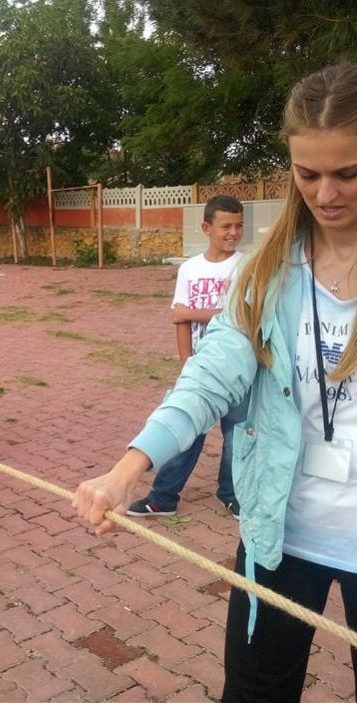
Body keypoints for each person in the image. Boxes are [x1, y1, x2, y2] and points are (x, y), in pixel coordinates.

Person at [72, 63, 357, 703]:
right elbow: (208, 376)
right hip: (279, 530)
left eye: (347, 172)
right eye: (307, 173)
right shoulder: (268, 270)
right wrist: (130, 468)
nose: (325, 194)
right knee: (254, 693)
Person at [127, 195, 248, 519]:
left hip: (236, 367)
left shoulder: (247, 266)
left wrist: (191, 312)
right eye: (226, 226)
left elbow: (240, 317)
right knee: (187, 431)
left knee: (237, 434)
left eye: (239, 225)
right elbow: (177, 319)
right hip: (198, 368)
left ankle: (232, 493)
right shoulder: (190, 269)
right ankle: (163, 497)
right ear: (207, 228)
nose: (233, 232)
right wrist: (186, 362)